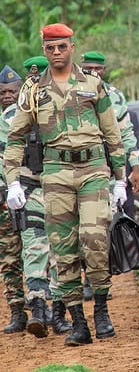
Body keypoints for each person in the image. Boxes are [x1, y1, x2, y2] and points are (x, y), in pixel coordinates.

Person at [3, 23, 128, 346]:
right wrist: (13, 181)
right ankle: (79, 322)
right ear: (44, 50)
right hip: (55, 172)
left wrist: (120, 180)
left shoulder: (93, 84)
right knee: (64, 250)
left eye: (62, 47)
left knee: (95, 240)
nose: (56, 53)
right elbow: (16, 138)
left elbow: (112, 133)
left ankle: (100, 308)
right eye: (50, 48)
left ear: (72, 47)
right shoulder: (32, 90)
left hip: (93, 170)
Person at [0, 59, 72, 339]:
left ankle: (59, 313)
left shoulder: (63, 107)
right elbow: (6, 157)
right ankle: (33, 310)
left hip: (61, 190)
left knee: (62, 253)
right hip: (25, 192)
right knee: (26, 252)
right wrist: (10, 188)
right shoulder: (11, 117)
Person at [79, 50, 139, 300]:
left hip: (106, 170)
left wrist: (134, 168)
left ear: (104, 71)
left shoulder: (115, 96)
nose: (94, 72)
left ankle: (98, 279)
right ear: (81, 68)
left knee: (101, 227)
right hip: (79, 169)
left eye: (99, 68)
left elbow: (127, 135)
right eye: (89, 68)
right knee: (82, 228)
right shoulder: (71, 92)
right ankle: (85, 276)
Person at [0, 65, 26, 334]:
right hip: (1, 204)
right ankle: (17, 311)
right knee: (8, 260)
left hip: (24, 198)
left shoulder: (27, 119)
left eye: (12, 91)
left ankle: (51, 309)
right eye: (3, 92)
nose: (7, 95)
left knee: (37, 254)